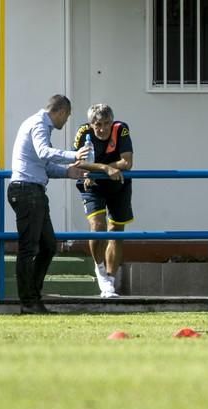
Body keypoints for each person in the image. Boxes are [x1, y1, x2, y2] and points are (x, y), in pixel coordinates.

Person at [8, 95, 89, 314]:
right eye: (67, 116)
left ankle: (33, 298)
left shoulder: (39, 124)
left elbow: (43, 165)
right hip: (27, 191)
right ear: (61, 111)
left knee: (48, 245)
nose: (66, 121)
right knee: (30, 248)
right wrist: (73, 155)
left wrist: (68, 172)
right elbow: (44, 152)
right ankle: (28, 302)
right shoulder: (39, 124)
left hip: (31, 191)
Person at [73, 104, 134, 298]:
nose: (103, 128)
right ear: (91, 124)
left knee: (116, 232)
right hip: (92, 185)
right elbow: (78, 163)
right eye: (98, 124)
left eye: (106, 123)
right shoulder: (83, 132)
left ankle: (110, 281)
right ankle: (99, 267)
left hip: (118, 185)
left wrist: (97, 168)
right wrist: (105, 169)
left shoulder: (121, 129)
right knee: (97, 226)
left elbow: (127, 162)